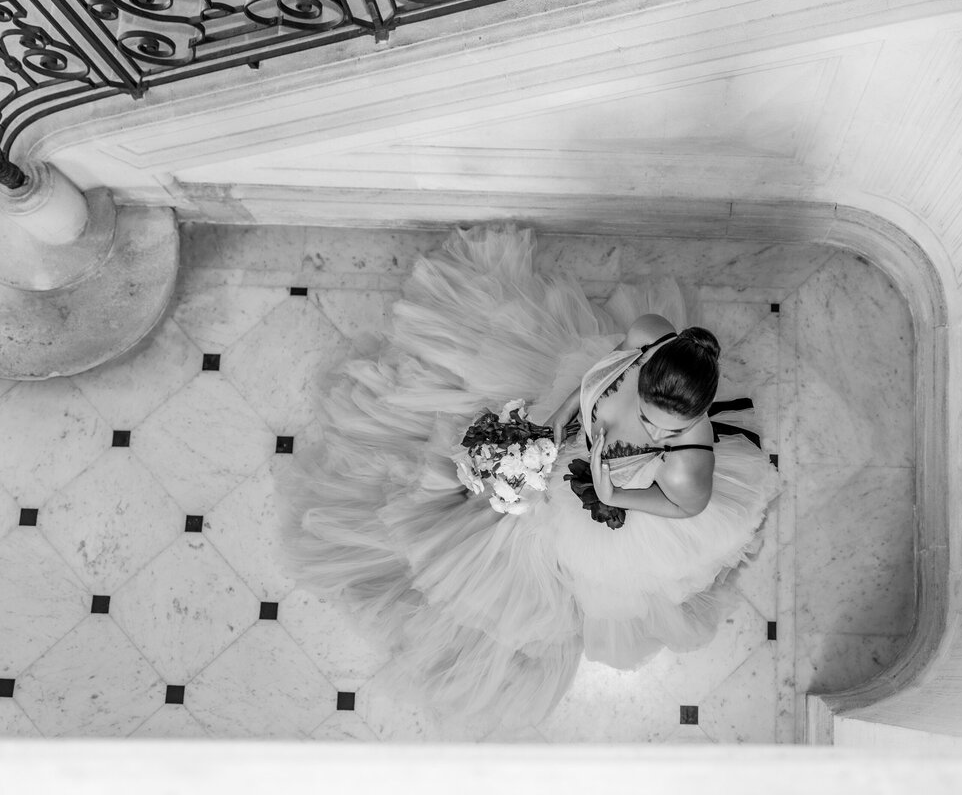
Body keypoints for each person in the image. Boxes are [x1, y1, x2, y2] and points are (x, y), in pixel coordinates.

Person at [276, 224, 781, 732]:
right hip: (578, 442)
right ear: (648, 363)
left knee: (545, 559)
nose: (645, 426)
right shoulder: (648, 333)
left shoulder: (689, 466)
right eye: (646, 410)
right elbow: (597, 373)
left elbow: (682, 509)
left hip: (625, 503)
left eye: (662, 427)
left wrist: (616, 494)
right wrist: (559, 418)